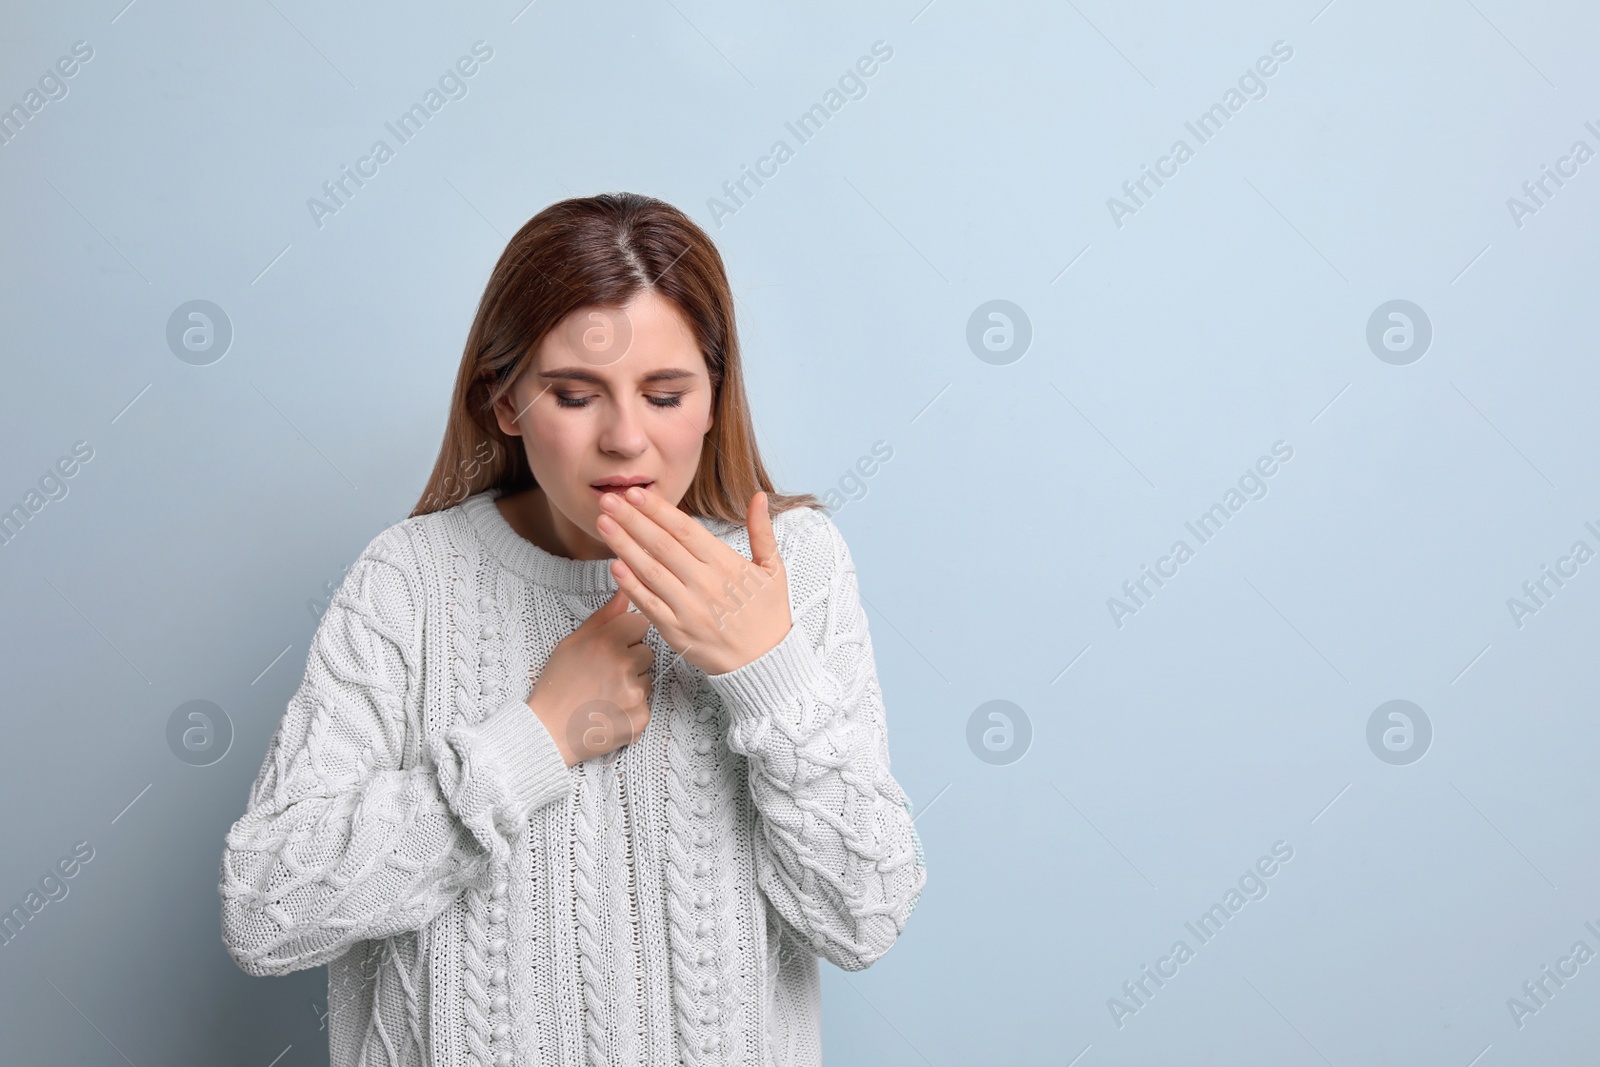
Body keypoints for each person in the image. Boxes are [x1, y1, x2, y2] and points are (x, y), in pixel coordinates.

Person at [218, 192, 927, 1067]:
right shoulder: (410, 580)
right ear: (506, 402)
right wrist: (536, 739)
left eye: (666, 394)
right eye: (575, 394)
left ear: (713, 399)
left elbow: (865, 915)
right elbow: (266, 909)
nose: (626, 438)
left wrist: (766, 672)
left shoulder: (795, 569)